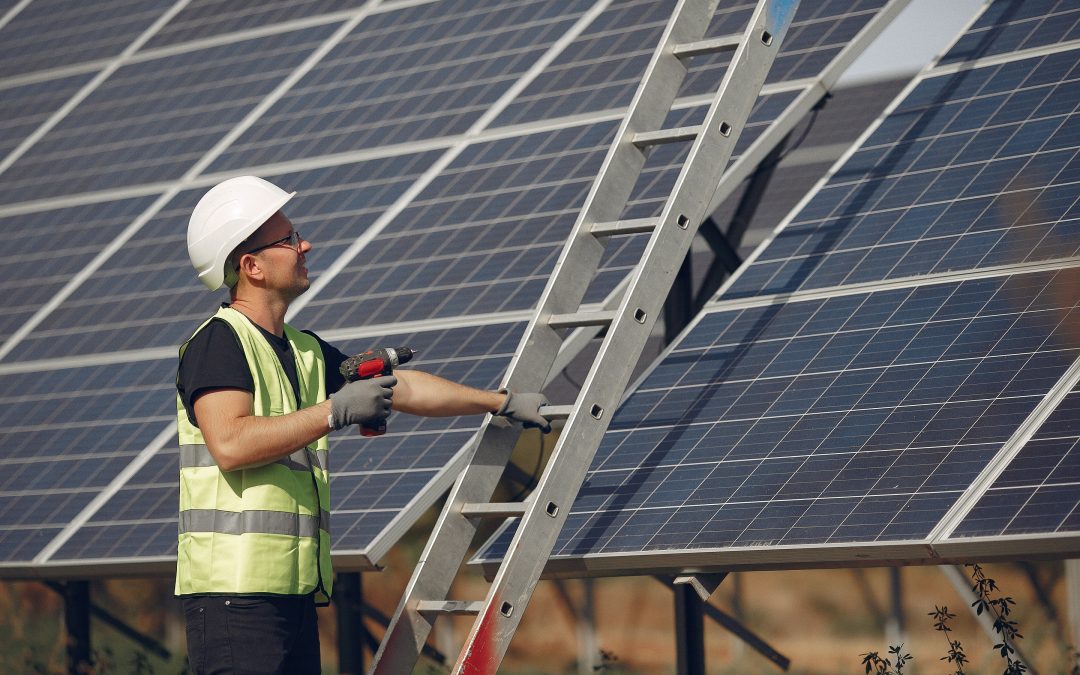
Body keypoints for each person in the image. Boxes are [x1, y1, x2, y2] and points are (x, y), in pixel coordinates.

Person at [175, 176, 552, 674]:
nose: (304, 245)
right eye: (288, 240)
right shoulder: (218, 343)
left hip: (290, 595)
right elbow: (229, 443)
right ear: (252, 267)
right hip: (233, 600)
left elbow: (404, 387)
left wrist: (501, 402)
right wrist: (334, 411)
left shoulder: (304, 349)